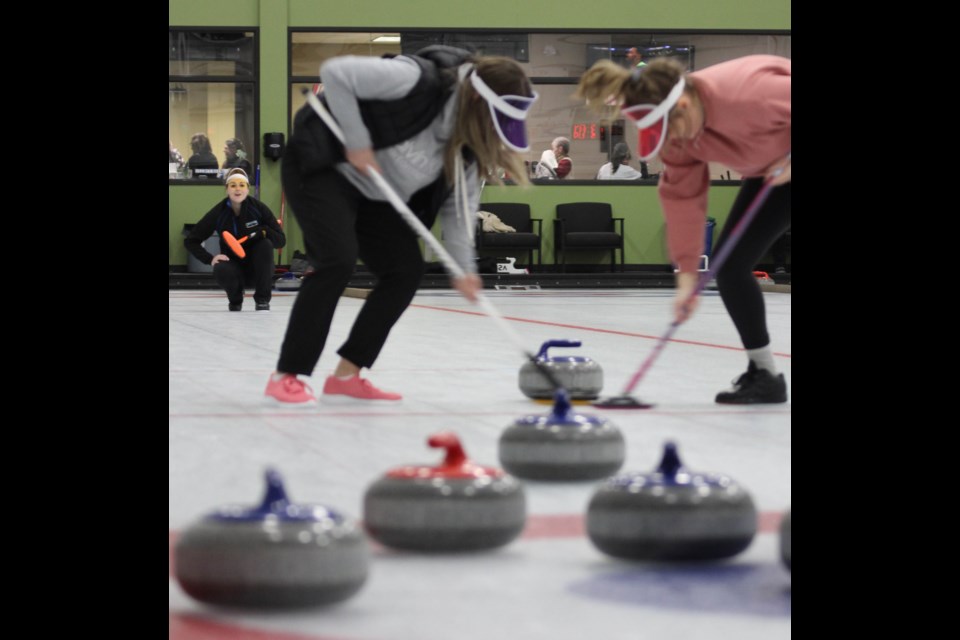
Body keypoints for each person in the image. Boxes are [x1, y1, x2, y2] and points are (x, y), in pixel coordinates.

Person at [267, 48, 537, 406]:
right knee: (337, 259)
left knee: (405, 270)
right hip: (324, 165)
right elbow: (336, 72)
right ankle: (288, 374)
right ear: (475, 97)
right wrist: (358, 141)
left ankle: (348, 374)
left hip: (375, 192)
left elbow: (458, 212)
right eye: (494, 118)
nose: (493, 130)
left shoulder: (468, 148)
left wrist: (464, 269)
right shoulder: (416, 78)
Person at [576, 54, 791, 404]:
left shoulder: (749, 93)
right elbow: (684, 201)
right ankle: (765, 374)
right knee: (730, 267)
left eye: (670, 128)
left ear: (686, 104)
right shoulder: (677, 135)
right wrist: (687, 278)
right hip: (770, 172)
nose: (672, 140)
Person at [184, 168, 285, 312]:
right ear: (227, 189)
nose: (237, 189)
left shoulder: (259, 209)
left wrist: (264, 231)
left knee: (265, 244)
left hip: (258, 270)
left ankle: (262, 300)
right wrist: (210, 259)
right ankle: (235, 300)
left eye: (242, 185)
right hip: (233, 268)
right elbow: (191, 241)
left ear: (247, 188)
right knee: (220, 267)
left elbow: (281, 241)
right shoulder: (218, 213)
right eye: (233, 185)